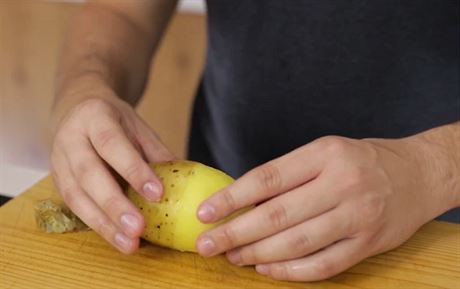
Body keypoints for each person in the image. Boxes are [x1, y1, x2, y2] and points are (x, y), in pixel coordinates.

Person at [50, 0, 459, 282]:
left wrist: (430, 169)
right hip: (220, 240)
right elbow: (122, 11)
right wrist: (85, 87)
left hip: (437, 238)